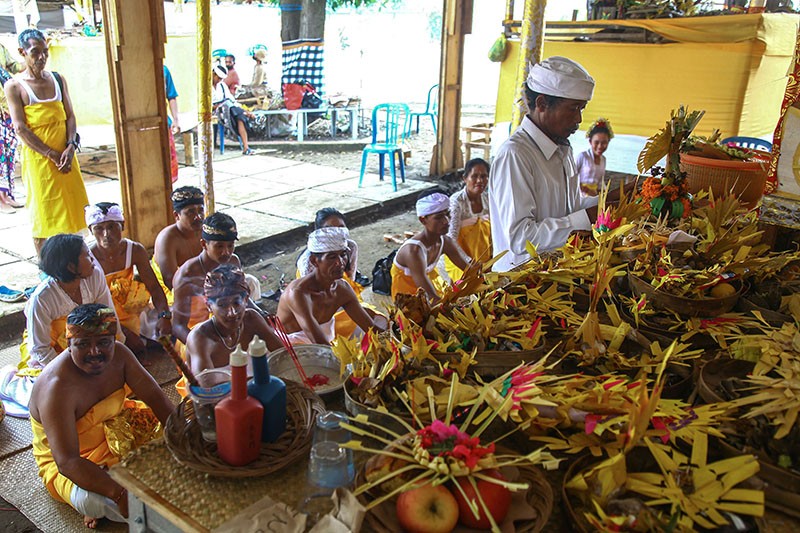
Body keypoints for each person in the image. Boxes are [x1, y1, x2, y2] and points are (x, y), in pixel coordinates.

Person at [28, 304, 174, 528]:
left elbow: (156, 399)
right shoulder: (56, 388)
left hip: (122, 431)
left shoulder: (121, 355)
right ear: (68, 345)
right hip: (74, 462)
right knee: (93, 501)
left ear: (113, 340)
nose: (95, 352)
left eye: (104, 343)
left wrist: (184, 438)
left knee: (179, 438)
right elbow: (67, 462)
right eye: (83, 344)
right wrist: (119, 494)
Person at [489, 56, 603, 272]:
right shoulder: (515, 155)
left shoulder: (562, 149)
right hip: (519, 286)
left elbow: (569, 210)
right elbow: (522, 238)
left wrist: (610, 202)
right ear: (542, 103)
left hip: (556, 273)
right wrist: (589, 216)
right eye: (573, 108)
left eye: (582, 108)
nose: (579, 119)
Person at [0, 234, 121, 418]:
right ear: (71, 267)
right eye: (87, 256)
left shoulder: (94, 276)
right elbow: (39, 349)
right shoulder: (42, 299)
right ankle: (10, 382)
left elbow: (109, 320)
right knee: (51, 401)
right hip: (54, 352)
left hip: (90, 344)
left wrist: (117, 352)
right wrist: (74, 373)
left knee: (115, 386)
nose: (93, 260)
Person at [4, 29, 89, 256]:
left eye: (45, 52)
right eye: (35, 53)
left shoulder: (58, 80)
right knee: (43, 215)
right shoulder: (15, 87)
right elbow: (20, 128)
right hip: (40, 161)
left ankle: (72, 262)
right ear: (22, 53)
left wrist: (70, 146)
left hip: (66, 158)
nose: (41, 57)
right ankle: (47, 269)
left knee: (72, 212)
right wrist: (51, 154)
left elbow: (69, 116)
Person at [86, 203, 172, 357]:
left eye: (112, 227)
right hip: (101, 313)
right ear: (90, 231)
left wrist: (164, 316)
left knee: (171, 324)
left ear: (123, 226)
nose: (107, 234)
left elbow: (153, 287)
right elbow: (89, 306)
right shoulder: (87, 258)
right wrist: (124, 332)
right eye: (99, 228)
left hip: (130, 308)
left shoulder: (135, 250)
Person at [277, 227, 387, 345]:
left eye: (343, 255)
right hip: (292, 348)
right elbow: (319, 343)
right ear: (314, 261)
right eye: (332, 257)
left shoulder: (342, 288)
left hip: (325, 342)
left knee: (381, 320)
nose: (340, 262)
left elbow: (371, 329)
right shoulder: (298, 293)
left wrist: (397, 336)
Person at [186, 265, 282, 376]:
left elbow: (282, 354)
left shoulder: (252, 320)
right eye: (222, 305)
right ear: (209, 305)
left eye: (236, 303)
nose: (232, 313)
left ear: (246, 300)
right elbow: (206, 387)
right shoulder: (200, 338)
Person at [171, 212, 244, 346]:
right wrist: (200, 346)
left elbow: (240, 297)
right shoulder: (187, 275)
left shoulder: (233, 262)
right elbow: (178, 326)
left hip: (229, 327)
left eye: (230, 245)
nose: (226, 252)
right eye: (219, 246)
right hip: (196, 336)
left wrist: (261, 314)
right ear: (204, 244)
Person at [391, 190, 470, 303]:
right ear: (423, 220)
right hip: (408, 299)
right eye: (438, 217)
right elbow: (431, 296)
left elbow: (469, 270)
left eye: (448, 214)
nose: (446, 221)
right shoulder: (413, 252)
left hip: (430, 288)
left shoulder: (445, 242)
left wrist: (491, 280)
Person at [152, 186, 205, 303]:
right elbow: (170, 282)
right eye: (190, 212)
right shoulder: (167, 239)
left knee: (249, 282)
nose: (198, 217)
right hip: (175, 293)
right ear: (177, 216)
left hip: (206, 286)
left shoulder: (206, 231)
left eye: (200, 210)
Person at [444, 158, 491, 281]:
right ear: (464, 178)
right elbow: (451, 239)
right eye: (474, 176)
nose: (480, 181)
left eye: (484, 176)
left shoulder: (488, 199)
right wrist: (469, 262)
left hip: (483, 257)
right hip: (459, 258)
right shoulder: (456, 202)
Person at [0, 42, 23, 213]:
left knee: (8, 153)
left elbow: (14, 66)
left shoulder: (0, 48)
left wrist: (30, 56)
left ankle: (7, 194)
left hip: (6, 109)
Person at [213, 64, 254, 155]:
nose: (219, 80)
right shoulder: (206, 87)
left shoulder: (222, 86)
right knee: (235, 111)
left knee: (239, 117)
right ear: (213, 74)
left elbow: (231, 100)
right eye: (218, 78)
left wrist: (241, 107)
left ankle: (246, 147)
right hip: (214, 111)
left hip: (228, 109)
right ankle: (244, 113)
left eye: (221, 79)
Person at [576, 117, 613, 197]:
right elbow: (572, 178)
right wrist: (587, 191)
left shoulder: (603, 160)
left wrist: (604, 193)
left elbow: (600, 182)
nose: (600, 146)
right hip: (579, 196)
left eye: (604, 143)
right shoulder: (583, 156)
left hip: (595, 196)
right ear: (590, 141)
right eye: (596, 142)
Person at [164, 65, 180, 183]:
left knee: (169, 159)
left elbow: (172, 97)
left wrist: (175, 120)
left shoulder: (164, 71)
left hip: (164, 123)